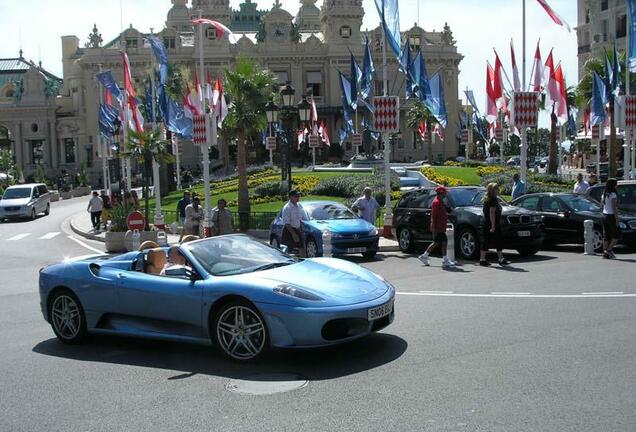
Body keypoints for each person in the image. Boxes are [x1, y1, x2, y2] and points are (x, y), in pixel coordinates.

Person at [418, 186, 455, 268]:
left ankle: (425, 256)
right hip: (438, 227)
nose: (446, 194)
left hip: (441, 226)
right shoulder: (436, 202)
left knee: (438, 242)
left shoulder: (440, 201)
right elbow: (434, 216)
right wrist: (434, 228)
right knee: (441, 242)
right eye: (444, 192)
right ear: (441, 193)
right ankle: (444, 260)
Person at [480, 182, 509, 266]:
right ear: (493, 190)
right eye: (497, 188)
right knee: (496, 240)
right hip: (492, 223)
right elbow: (492, 212)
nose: (498, 190)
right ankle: (499, 259)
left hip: (486, 222)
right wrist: (493, 226)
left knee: (488, 240)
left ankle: (483, 259)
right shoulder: (493, 199)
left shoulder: (488, 199)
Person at [281, 190, 309, 257]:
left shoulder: (299, 206)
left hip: (297, 229)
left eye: (298, 196)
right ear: (290, 197)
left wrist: (301, 228)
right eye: (296, 196)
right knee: (287, 250)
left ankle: (303, 264)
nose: (298, 198)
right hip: (289, 231)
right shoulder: (287, 208)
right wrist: (293, 234)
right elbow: (287, 223)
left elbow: (301, 218)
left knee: (302, 249)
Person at [601, 178, 620, 259]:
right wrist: (617, 219)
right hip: (611, 215)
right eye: (616, 184)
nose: (617, 185)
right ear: (613, 185)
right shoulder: (613, 194)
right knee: (617, 235)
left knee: (607, 235)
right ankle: (609, 250)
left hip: (604, 215)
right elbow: (614, 207)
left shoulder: (604, 194)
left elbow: (602, 205)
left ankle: (605, 252)